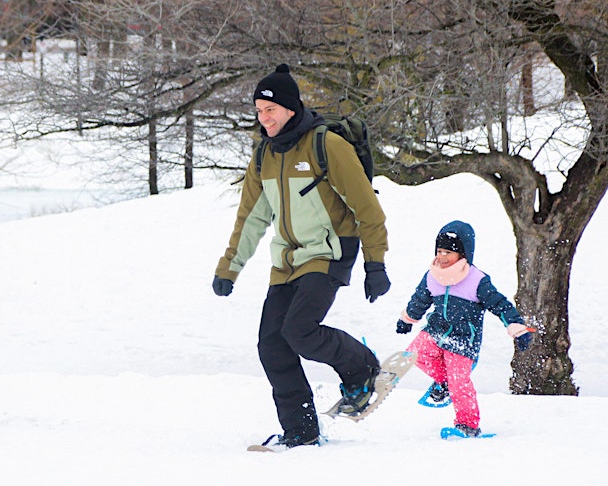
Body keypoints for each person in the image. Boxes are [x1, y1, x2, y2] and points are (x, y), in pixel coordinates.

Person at [213, 64, 390, 448]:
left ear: (290, 108)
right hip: (288, 261)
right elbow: (251, 217)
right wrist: (230, 267)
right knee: (272, 345)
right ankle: (302, 430)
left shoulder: (327, 146)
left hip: (330, 251)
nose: (264, 118)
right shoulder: (264, 156)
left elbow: (367, 209)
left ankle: (362, 368)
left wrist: (375, 264)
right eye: (259, 111)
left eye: (270, 110)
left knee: (299, 331)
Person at [397, 220, 532, 437]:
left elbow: (500, 304)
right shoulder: (432, 275)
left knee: (460, 383)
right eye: (439, 251)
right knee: (416, 354)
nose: (441, 257)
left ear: (463, 254)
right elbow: (420, 299)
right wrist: (408, 318)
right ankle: (443, 383)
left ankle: (468, 425)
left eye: (448, 252)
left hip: (463, 340)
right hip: (436, 331)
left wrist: (517, 328)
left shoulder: (476, 280)